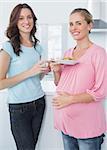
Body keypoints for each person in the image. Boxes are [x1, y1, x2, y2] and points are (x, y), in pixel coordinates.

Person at [50, 8, 107, 150]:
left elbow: (100, 92)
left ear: (89, 26)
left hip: (87, 126)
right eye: (70, 24)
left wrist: (69, 100)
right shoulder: (68, 53)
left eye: (78, 23)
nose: (73, 28)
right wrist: (56, 72)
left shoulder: (98, 53)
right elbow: (60, 84)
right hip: (67, 125)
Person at [0, 3, 50, 150]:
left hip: (39, 103)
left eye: (29, 17)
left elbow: (37, 78)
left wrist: (42, 72)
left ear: (34, 20)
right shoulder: (8, 47)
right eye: (21, 18)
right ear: (15, 21)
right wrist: (30, 72)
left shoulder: (37, 47)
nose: (26, 21)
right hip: (19, 108)